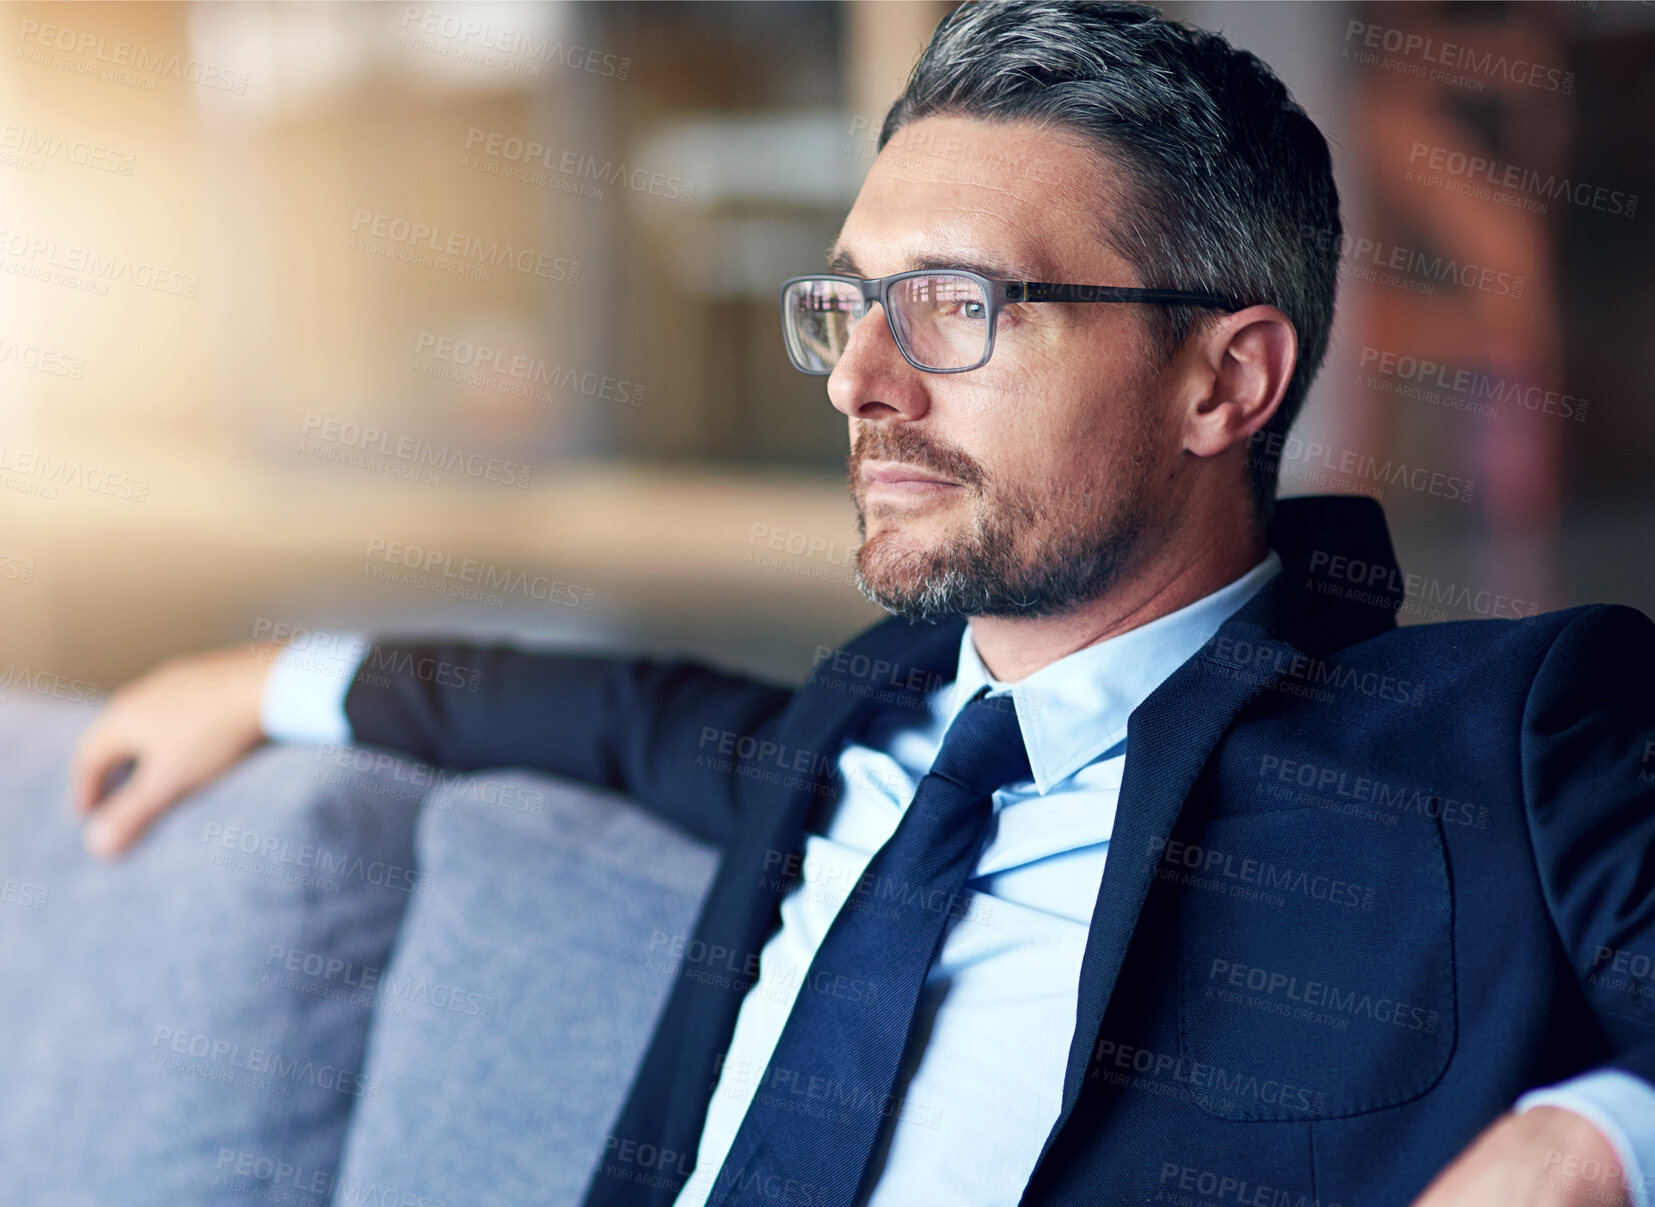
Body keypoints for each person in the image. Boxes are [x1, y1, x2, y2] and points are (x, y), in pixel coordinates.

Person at [67, 3, 1655, 1205]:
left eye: (956, 308)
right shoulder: (859, 730)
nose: (861, 383)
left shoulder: (1506, 734)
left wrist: (1593, 1141)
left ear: (1222, 380)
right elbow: (619, 717)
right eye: (845, 305)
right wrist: (281, 679)